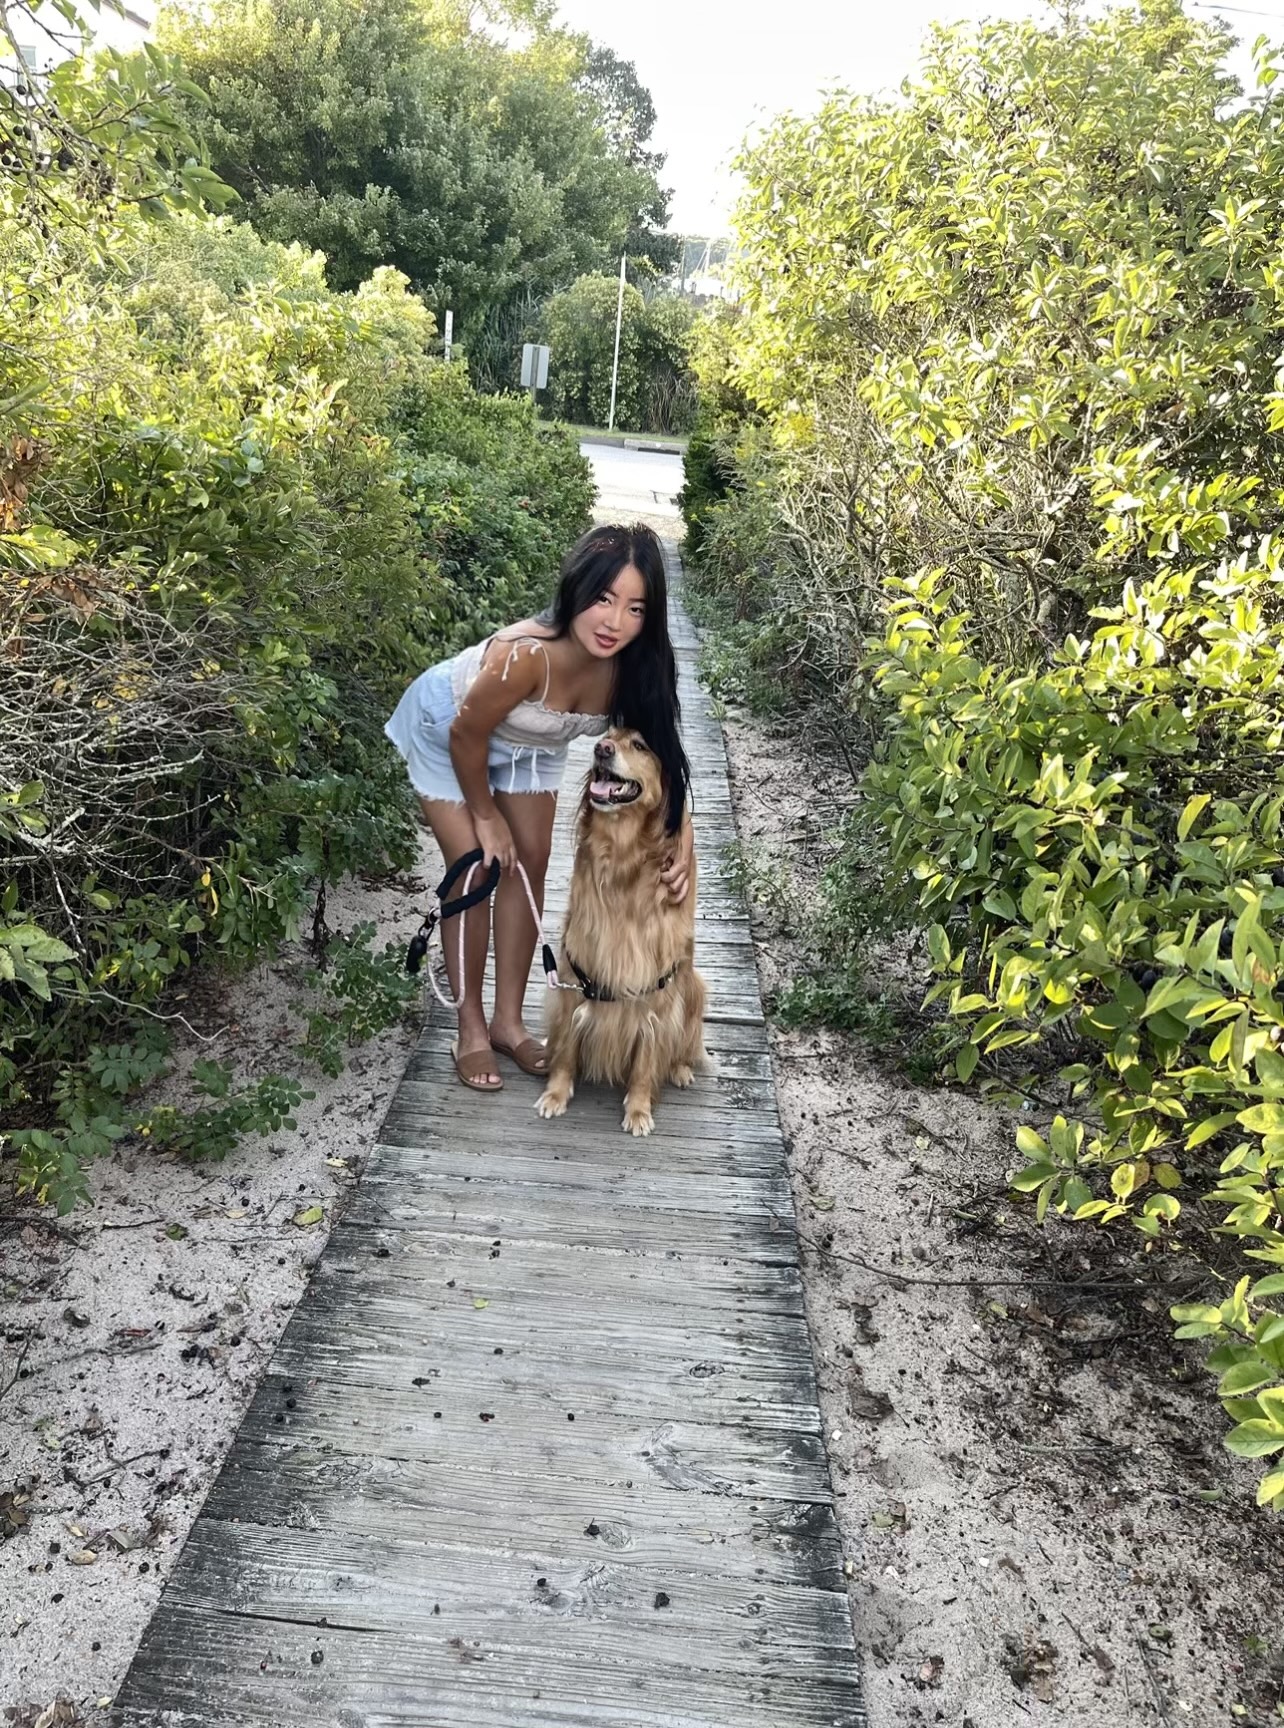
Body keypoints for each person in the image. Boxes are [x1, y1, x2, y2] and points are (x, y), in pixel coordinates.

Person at [385, 522, 695, 1092]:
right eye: (604, 599)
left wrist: (682, 838)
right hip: (450, 730)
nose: (615, 623)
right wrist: (486, 815)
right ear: (577, 588)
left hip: (534, 742)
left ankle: (508, 1021)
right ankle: (471, 1026)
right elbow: (466, 735)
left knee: (527, 862)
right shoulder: (527, 656)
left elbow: (666, 759)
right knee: (476, 870)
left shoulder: (640, 665)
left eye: (635, 608)